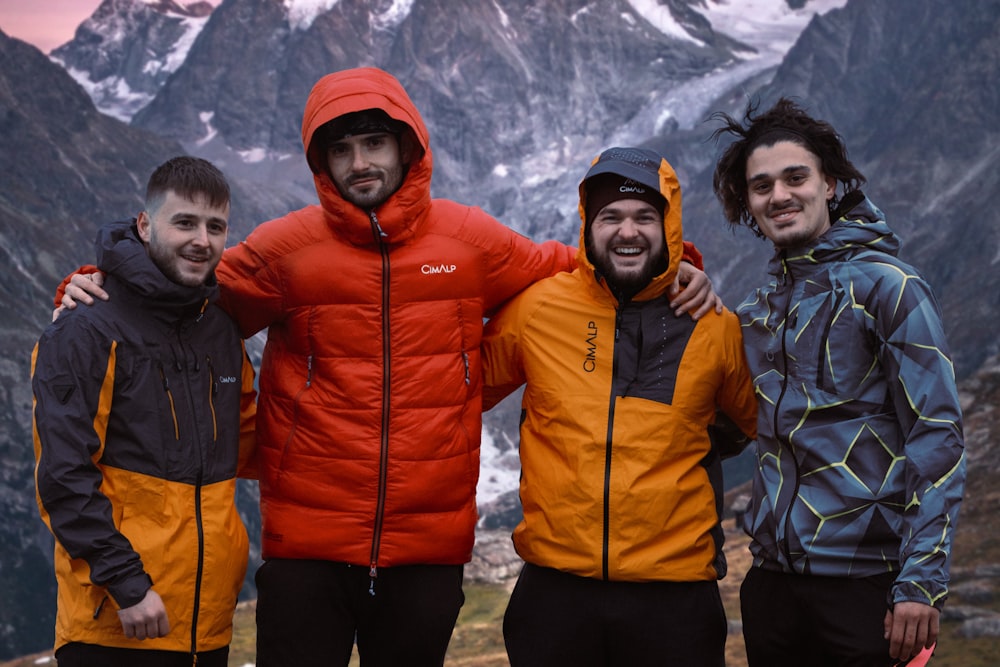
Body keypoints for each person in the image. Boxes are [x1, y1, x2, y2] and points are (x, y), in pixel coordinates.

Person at [57, 67, 722, 666]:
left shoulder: (470, 241)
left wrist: (676, 261)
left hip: (426, 552)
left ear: (408, 146)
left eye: (373, 143)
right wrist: (99, 282)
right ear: (322, 163)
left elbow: (581, 267)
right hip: (307, 549)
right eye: (339, 150)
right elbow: (183, 287)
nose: (359, 162)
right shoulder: (285, 250)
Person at [711, 98, 966, 666]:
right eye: (761, 186)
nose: (779, 195)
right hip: (772, 587)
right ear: (748, 206)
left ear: (829, 184)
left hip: (867, 587)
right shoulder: (757, 312)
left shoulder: (891, 287)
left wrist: (921, 582)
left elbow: (938, 438)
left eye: (795, 177)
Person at [480, 146, 758, 666]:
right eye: (610, 216)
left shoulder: (714, 325)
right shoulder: (538, 309)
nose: (627, 232)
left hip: (674, 603)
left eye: (645, 217)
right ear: (588, 224)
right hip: (553, 596)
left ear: (669, 226)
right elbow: (456, 389)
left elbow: (775, 428)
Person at [32, 156, 258, 667]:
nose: (202, 239)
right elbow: (64, 476)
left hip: (206, 625)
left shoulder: (219, 330)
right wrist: (127, 586)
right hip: (117, 624)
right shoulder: (85, 327)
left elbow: (252, 444)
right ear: (144, 223)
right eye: (184, 222)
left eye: (215, 226)